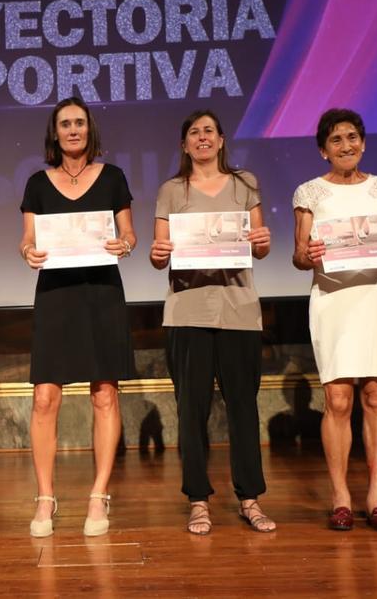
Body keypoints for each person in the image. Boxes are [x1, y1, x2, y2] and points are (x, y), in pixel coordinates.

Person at [149, 110, 276, 535]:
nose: (202, 138)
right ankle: (198, 499)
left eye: (209, 131)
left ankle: (250, 498)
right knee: (193, 408)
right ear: (184, 144)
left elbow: (258, 249)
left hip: (239, 309)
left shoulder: (246, 184)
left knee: (243, 406)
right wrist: (158, 253)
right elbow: (158, 253)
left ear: (221, 140)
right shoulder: (171, 190)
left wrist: (263, 242)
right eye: (193, 133)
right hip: (187, 310)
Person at [19, 97, 137, 537]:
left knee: (104, 393)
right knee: (45, 397)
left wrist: (124, 245)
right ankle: (45, 497)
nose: (73, 130)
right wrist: (29, 252)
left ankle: (98, 495)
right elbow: (26, 240)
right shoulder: (37, 182)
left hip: (101, 293)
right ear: (55, 132)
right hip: (56, 295)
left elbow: (130, 233)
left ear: (90, 131)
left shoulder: (113, 178)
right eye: (65, 124)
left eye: (80, 123)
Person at [291, 109, 377, 532]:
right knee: (338, 400)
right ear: (323, 150)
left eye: (352, 137)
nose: (346, 145)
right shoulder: (310, 192)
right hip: (333, 297)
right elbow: (298, 255)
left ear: (363, 142)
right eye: (336, 140)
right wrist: (311, 254)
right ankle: (341, 497)